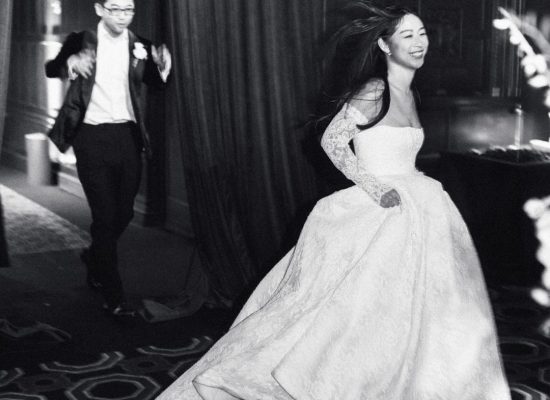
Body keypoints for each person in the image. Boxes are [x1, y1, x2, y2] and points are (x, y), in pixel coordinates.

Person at [158, 2, 511, 399]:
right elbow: (332, 141)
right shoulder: (374, 89)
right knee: (346, 316)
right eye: (407, 35)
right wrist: (375, 187)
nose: (419, 42)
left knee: (413, 313)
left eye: (423, 33)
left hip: (423, 206)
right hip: (381, 210)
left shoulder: (411, 93)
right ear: (383, 45)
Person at [45, 0, 171, 317]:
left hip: (128, 136)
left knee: (124, 211)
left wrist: (162, 67)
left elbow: (153, 84)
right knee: (103, 216)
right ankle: (114, 297)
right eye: (115, 9)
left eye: (128, 10)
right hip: (90, 136)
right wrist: (70, 61)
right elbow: (52, 68)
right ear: (100, 9)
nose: (122, 16)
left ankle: (94, 256)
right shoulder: (81, 39)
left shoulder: (140, 44)